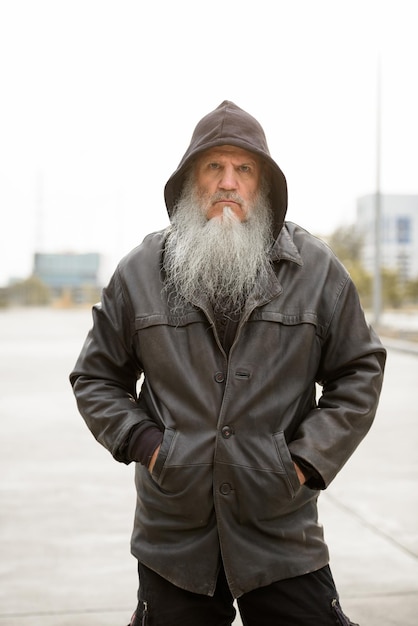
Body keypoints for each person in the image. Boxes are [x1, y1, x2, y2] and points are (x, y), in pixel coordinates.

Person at [70, 100, 386, 626]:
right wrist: (148, 446)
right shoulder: (139, 272)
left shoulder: (317, 270)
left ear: (263, 185)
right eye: (213, 167)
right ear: (190, 181)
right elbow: (96, 377)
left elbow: (360, 369)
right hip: (174, 538)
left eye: (244, 169)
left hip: (280, 531)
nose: (228, 182)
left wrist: (304, 462)